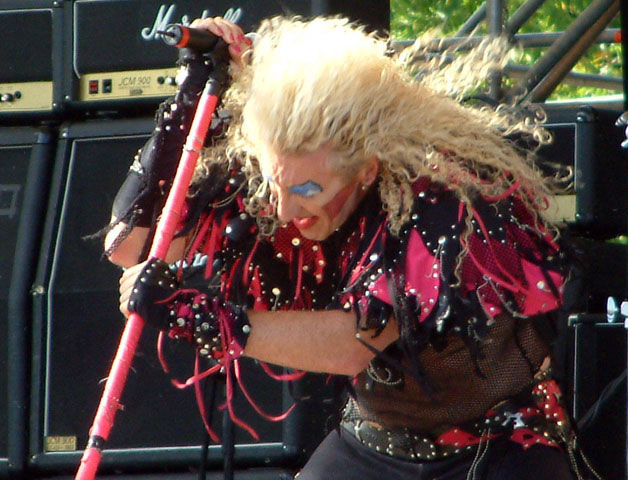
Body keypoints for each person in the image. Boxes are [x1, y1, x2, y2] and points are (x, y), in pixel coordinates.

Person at [105, 15, 596, 480]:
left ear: (366, 169)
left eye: (308, 191)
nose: (283, 210)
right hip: (376, 444)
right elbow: (131, 246)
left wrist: (207, 320)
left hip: (499, 449)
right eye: (276, 185)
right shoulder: (286, 175)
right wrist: (190, 104)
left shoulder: (440, 195)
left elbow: (355, 342)